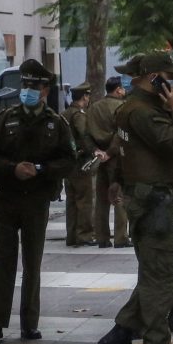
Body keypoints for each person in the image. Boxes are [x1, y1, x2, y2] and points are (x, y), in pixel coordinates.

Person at [97, 52, 173, 344]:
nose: (172, 83)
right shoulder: (144, 112)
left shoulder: (130, 109)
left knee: (154, 272)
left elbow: (122, 151)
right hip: (156, 203)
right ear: (153, 77)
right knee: (161, 276)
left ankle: (122, 333)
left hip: (145, 199)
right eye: (167, 76)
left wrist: (116, 181)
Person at [0, 59, 76, 343]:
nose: (28, 90)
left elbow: (69, 160)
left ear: (45, 90)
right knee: (3, 263)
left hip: (36, 200)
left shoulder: (56, 123)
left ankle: (29, 323)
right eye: (25, 85)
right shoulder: (5, 117)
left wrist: (42, 169)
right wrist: (12, 168)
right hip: (7, 198)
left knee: (32, 264)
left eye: (34, 86)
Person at [86, 75, 130, 248]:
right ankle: (121, 237)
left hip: (98, 158)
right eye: (123, 88)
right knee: (119, 196)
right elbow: (122, 134)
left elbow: (86, 134)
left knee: (101, 199)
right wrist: (110, 153)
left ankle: (102, 237)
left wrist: (96, 151)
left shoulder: (93, 108)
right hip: (117, 158)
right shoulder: (123, 107)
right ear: (118, 89)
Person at [62, 81, 96, 246]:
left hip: (67, 163)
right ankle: (84, 235)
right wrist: (93, 150)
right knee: (84, 200)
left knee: (71, 200)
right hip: (81, 163)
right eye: (88, 96)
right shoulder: (79, 115)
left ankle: (71, 235)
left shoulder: (65, 113)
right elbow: (84, 135)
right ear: (85, 96)